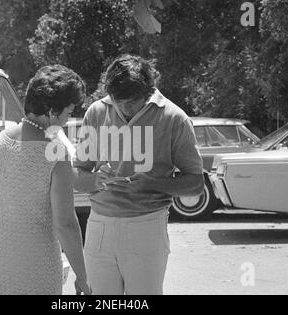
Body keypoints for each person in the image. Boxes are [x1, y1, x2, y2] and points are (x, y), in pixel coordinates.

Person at [73, 55, 204, 295]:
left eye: (131, 102)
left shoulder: (174, 118)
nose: (123, 108)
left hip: (147, 225)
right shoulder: (96, 112)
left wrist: (151, 184)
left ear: (149, 91)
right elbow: (77, 173)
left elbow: (196, 183)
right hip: (99, 225)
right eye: (116, 100)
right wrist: (93, 180)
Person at [0, 65, 91, 295]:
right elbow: (65, 224)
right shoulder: (55, 152)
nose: (68, 120)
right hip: (35, 260)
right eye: (67, 112)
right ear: (51, 110)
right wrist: (83, 276)